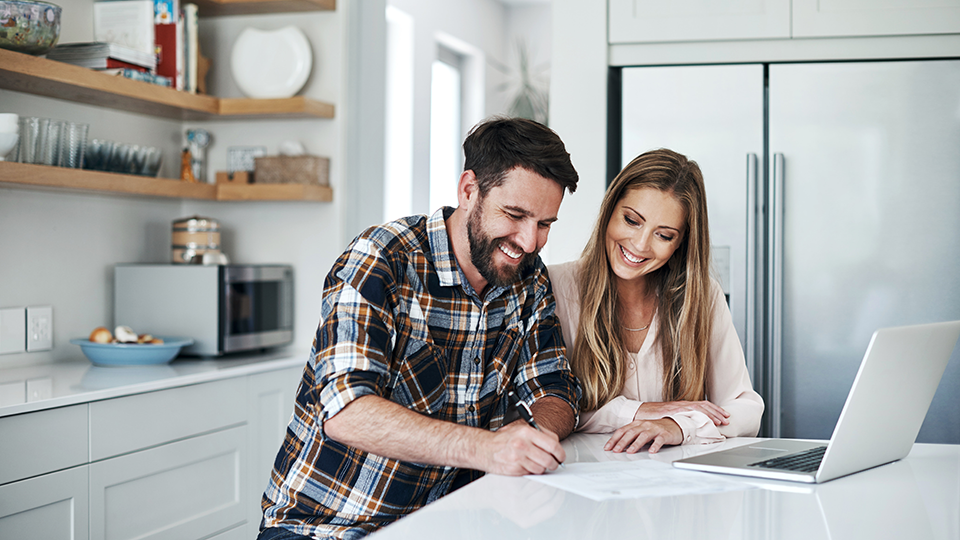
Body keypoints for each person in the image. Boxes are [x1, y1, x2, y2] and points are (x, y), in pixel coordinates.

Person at [260, 116, 582, 539]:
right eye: (515, 215)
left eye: (544, 224)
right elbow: (346, 410)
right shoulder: (381, 259)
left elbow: (555, 388)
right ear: (468, 190)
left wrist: (530, 439)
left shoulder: (528, 277)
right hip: (327, 527)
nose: (529, 241)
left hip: (448, 522)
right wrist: (487, 448)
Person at [548, 148, 763, 455]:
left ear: (680, 243)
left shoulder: (702, 296)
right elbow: (542, 409)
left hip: (673, 481)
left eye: (663, 235)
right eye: (631, 220)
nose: (639, 244)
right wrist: (639, 411)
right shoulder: (554, 287)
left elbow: (745, 408)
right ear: (609, 210)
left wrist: (678, 426)